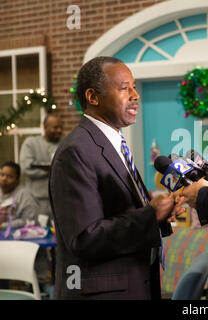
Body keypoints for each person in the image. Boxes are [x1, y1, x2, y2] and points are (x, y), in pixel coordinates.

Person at [49, 56, 184, 300]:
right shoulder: (76, 151)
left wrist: (159, 215)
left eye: (133, 86)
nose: (135, 94)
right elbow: (84, 238)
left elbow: (121, 212)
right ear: (93, 97)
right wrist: (149, 215)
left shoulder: (114, 144)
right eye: (124, 88)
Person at [20, 113, 63, 226]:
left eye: (61, 127)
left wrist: (43, 167)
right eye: (55, 127)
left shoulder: (64, 144)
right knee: (37, 234)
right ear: (44, 127)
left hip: (58, 202)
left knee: (57, 237)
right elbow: (27, 168)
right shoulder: (31, 143)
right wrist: (53, 170)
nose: (59, 130)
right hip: (35, 202)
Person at [0, 161, 38, 230]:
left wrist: (2, 226)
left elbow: (28, 221)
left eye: (9, 176)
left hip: (19, 236)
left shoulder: (25, 196)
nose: (4, 179)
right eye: (2, 174)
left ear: (17, 179)